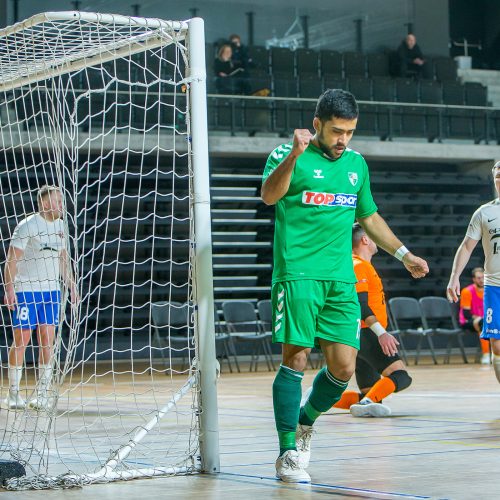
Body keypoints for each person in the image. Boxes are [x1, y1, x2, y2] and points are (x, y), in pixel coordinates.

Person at [261, 88, 429, 483]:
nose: (342, 140)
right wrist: (294, 156)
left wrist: (404, 255)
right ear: (317, 124)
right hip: (297, 274)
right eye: (336, 131)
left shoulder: (356, 165)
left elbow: (369, 218)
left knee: (343, 366)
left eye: (350, 132)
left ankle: (305, 420)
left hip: (340, 280)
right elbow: (269, 196)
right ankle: (287, 450)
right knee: (297, 358)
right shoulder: (287, 154)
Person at [3, 185, 77, 411]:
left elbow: (63, 258)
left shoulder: (60, 226)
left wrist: (71, 284)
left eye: (62, 201)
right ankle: (13, 393)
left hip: (51, 292)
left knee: (48, 340)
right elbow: (11, 260)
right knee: (22, 340)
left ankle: (43, 393)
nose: (61, 206)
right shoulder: (27, 226)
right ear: (45, 204)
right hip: (26, 291)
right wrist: (9, 289)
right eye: (57, 202)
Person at [331, 223, 412, 417]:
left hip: (357, 333)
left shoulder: (355, 264)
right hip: (367, 331)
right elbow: (360, 304)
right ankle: (367, 401)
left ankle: (319, 398)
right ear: (365, 240)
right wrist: (381, 333)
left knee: (371, 392)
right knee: (401, 376)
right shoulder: (357, 265)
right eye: (373, 236)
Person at [447, 161, 500, 386]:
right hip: (494, 287)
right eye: (499, 174)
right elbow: (467, 246)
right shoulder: (484, 212)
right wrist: (454, 276)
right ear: (493, 177)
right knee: (497, 345)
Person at [459, 267, 488, 364]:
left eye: (483, 277)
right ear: (474, 279)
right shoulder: (467, 291)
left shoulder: (489, 291)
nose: (482, 280)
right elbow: (466, 314)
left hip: (485, 319)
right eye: (479, 278)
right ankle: (486, 354)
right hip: (468, 320)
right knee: (483, 323)